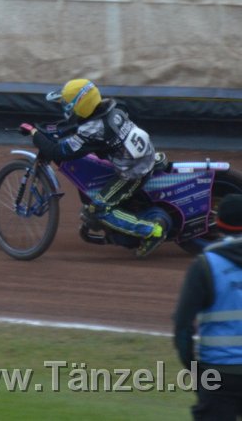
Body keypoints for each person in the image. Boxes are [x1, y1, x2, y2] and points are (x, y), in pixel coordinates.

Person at [19, 78, 166, 258]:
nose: (67, 109)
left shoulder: (94, 130)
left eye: (68, 105)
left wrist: (34, 133)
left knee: (98, 209)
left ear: (80, 105)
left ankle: (151, 231)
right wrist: (45, 128)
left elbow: (58, 152)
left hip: (133, 172)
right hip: (144, 156)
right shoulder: (114, 108)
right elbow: (75, 125)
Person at [173, 193, 242, 420]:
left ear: (218, 224)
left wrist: (195, 371)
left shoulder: (205, 264)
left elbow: (182, 327)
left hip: (218, 373)